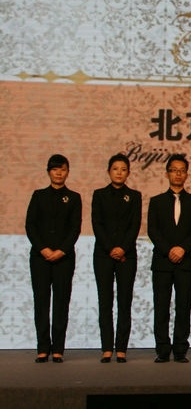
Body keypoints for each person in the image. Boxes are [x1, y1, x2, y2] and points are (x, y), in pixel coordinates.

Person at [147, 154, 191, 363]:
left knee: (183, 307)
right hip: (162, 262)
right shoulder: (156, 202)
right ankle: (162, 350)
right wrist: (169, 249)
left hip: (186, 262)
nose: (178, 174)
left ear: (186, 174)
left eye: (182, 171)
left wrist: (182, 249)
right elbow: (153, 230)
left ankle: (180, 350)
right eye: (174, 170)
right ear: (167, 174)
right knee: (161, 307)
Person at [26, 154, 82, 363]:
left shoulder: (74, 197)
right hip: (40, 257)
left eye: (63, 169)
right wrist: (43, 249)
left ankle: (58, 349)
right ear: (48, 171)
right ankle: (42, 348)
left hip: (64, 258)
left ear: (68, 172)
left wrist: (61, 251)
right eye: (55, 169)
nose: (59, 173)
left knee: (61, 302)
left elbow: (75, 228)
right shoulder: (38, 195)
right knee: (41, 301)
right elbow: (30, 225)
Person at [91, 153, 142, 363]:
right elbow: (97, 224)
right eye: (115, 169)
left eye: (123, 169)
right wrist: (111, 248)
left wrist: (122, 248)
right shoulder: (99, 195)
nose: (119, 173)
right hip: (103, 254)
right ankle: (106, 348)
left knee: (124, 301)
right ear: (108, 171)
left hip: (126, 255)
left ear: (128, 173)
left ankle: (121, 348)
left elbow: (134, 225)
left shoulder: (134, 196)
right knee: (105, 302)